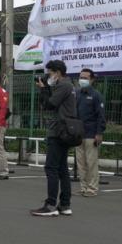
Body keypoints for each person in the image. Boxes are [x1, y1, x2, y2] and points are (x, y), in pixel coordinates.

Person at [31, 60, 77, 217]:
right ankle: (65, 205)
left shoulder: (64, 85)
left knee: (51, 168)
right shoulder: (67, 86)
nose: (48, 76)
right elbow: (53, 102)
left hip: (58, 131)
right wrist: (47, 88)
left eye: (49, 73)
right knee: (62, 169)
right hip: (64, 131)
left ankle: (50, 205)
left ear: (57, 72)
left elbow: (49, 104)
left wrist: (44, 89)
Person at [76, 68, 106, 197]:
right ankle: (83, 187)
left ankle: (92, 188)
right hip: (78, 134)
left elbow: (101, 116)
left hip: (91, 134)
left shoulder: (96, 95)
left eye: (85, 78)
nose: (82, 80)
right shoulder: (76, 93)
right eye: (81, 77)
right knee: (80, 163)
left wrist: (99, 133)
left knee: (91, 162)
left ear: (92, 80)